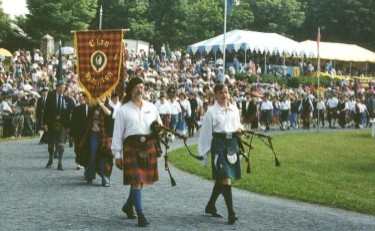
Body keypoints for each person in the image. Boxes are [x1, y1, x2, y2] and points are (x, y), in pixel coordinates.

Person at [111, 77, 162, 227]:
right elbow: (117, 134)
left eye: (142, 87)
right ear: (130, 90)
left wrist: (158, 130)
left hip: (148, 146)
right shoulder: (123, 110)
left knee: (140, 181)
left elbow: (158, 126)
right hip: (131, 147)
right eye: (137, 87)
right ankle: (140, 215)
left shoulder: (151, 107)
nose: (140, 90)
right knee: (136, 181)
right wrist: (117, 155)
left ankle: (128, 205)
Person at [198, 83, 242, 225]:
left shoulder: (234, 109)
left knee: (221, 178)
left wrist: (241, 129)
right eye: (221, 92)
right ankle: (231, 214)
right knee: (226, 178)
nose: (225, 95)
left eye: (226, 92)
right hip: (218, 144)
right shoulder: (211, 112)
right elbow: (205, 135)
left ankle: (210, 206)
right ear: (216, 94)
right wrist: (203, 155)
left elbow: (237, 125)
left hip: (232, 145)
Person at [43, 80, 70, 170]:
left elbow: (68, 113)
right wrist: (45, 123)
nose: (62, 89)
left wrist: (68, 126)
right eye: (61, 87)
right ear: (57, 88)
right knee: (50, 144)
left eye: (63, 87)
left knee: (61, 144)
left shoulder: (66, 98)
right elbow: (46, 111)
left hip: (62, 124)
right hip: (51, 123)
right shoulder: (51, 97)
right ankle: (50, 159)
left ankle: (60, 163)